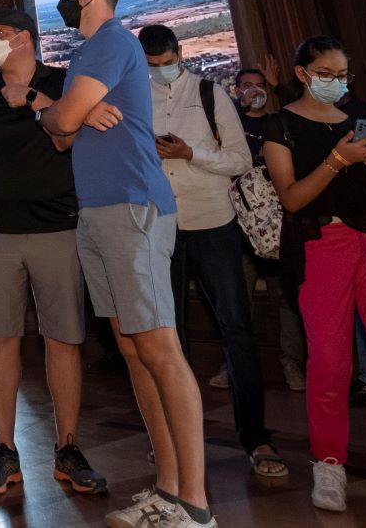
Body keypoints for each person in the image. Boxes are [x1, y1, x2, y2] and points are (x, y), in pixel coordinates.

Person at [30, 0, 212, 528]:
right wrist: (67, 116)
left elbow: (61, 121)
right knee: (134, 349)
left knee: (160, 348)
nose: (63, 0)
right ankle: (168, 490)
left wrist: (59, 113)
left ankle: (195, 506)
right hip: (100, 208)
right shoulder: (88, 55)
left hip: (131, 205)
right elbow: (62, 137)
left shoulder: (109, 41)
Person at [263, 35, 366, 518]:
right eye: (326, 74)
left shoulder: (362, 117)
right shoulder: (282, 125)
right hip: (321, 245)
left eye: (343, 76)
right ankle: (328, 464)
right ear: (302, 73)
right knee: (329, 362)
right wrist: (339, 160)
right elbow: (292, 198)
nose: (336, 83)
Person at [0, 7, 108, 497]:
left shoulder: (63, 82)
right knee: (1, 339)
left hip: (58, 227)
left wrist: (32, 99)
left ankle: (68, 448)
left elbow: (69, 139)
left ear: (24, 37)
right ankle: (4, 451)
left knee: (63, 338)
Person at [138, 25, 281, 479]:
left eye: (167, 63)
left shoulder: (208, 93)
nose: (162, 72)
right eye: (153, 66)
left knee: (236, 329)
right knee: (169, 336)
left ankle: (255, 436)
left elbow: (239, 159)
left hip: (213, 223)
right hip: (160, 226)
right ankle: (175, 439)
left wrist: (190, 153)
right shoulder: (135, 98)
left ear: (179, 53)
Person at [229, 62, 306, 393]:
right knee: (236, 298)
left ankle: (292, 363)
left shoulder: (280, 123)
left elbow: (304, 114)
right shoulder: (230, 126)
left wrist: (278, 87)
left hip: (278, 224)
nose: (254, 91)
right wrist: (239, 108)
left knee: (286, 299)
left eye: (259, 85)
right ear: (237, 91)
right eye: (247, 85)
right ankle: (234, 366)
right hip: (238, 225)